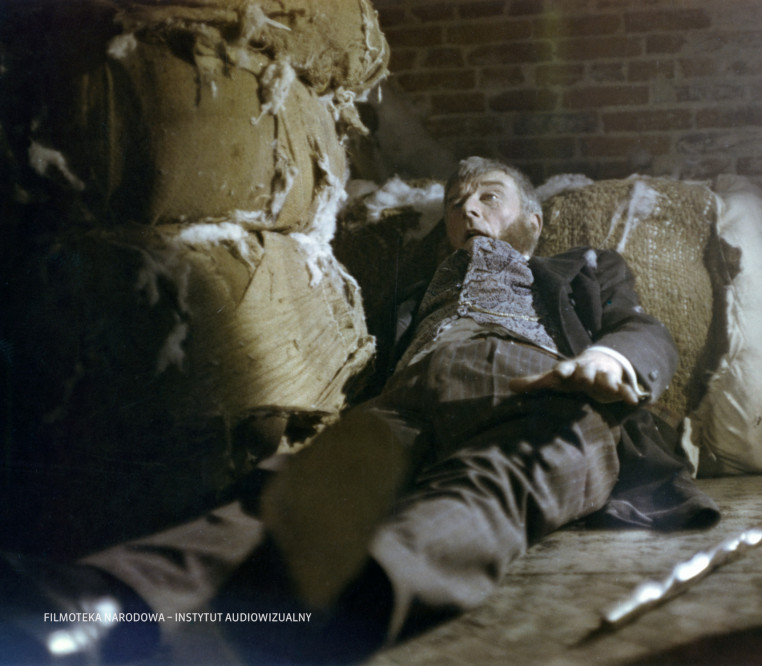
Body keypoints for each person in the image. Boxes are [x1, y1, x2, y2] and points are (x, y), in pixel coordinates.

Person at [1, 157, 718, 663]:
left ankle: (341, 598)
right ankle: (94, 601)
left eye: (488, 197)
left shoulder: (581, 267)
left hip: (543, 384)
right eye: (456, 202)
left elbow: (641, 327)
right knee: (303, 489)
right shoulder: (410, 291)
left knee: (503, 478)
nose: (467, 209)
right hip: (411, 391)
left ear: (530, 221)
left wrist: (611, 360)